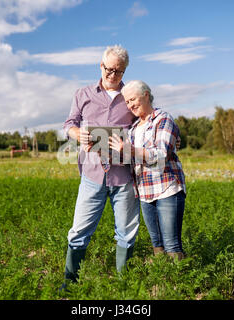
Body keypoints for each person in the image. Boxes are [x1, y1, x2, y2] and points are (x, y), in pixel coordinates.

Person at [61, 45, 140, 289]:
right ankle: (70, 285)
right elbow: (69, 123)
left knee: (126, 234)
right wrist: (78, 134)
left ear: (125, 71)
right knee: (78, 232)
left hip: (123, 176)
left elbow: (144, 124)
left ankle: (122, 286)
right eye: (109, 69)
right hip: (92, 175)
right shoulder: (83, 94)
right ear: (100, 66)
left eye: (118, 71)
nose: (113, 75)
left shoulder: (131, 97)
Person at [109, 80, 186, 261]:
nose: (130, 105)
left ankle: (180, 285)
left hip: (167, 188)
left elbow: (160, 155)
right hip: (145, 190)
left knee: (172, 244)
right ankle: (162, 283)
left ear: (145, 95)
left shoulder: (163, 119)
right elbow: (130, 158)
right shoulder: (134, 128)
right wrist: (105, 150)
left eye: (133, 99)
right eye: (127, 102)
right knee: (157, 244)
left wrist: (128, 150)